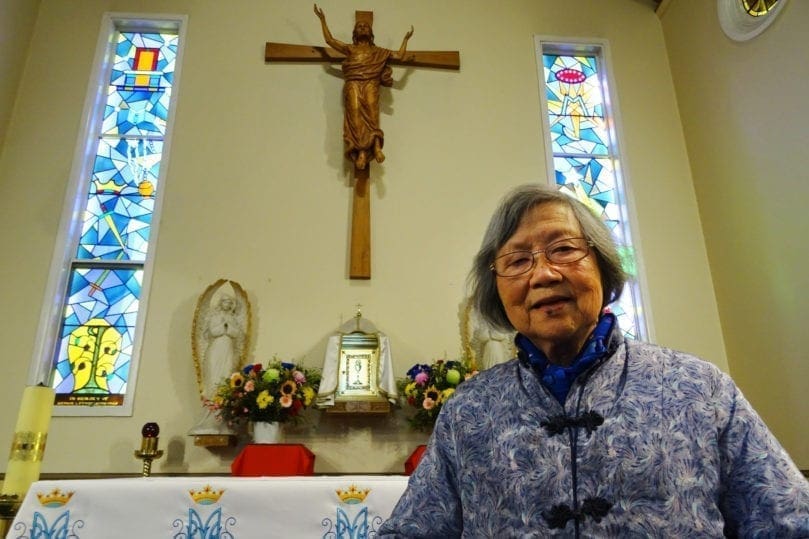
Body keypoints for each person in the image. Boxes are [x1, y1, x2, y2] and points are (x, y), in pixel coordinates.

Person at [379, 184, 809, 537]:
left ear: (602, 266)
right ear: (498, 292)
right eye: (517, 260)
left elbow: (788, 522)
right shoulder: (468, 412)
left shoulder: (700, 388)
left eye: (563, 249)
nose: (543, 274)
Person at [314, 4, 413, 170]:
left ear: (370, 32)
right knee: (354, 113)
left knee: (372, 111)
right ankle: (360, 151)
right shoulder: (350, 49)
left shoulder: (379, 52)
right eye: (359, 27)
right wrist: (322, 20)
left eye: (365, 26)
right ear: (355, 33)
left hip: (371, 84)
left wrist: (405, 40)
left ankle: (376, 146)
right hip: (353, 84)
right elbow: (330, 40)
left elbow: (399, 55)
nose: (363, 28)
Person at [191, 294, 245, 434]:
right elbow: (214, 331)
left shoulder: (232, 319)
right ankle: (210, 417)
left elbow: (236, 334)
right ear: (221, 303)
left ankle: (222, 418)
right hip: (216, 350)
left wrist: (228, 326)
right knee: (213, 380)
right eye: (225, 302)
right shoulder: (215, 317)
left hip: (228, 351)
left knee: (226, 381)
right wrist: (224, 326)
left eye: (229, 302)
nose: (227, 304)